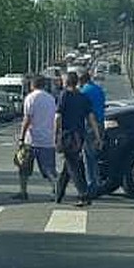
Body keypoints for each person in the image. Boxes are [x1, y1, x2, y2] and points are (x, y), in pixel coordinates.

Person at [54, 72, 102, 206]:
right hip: (79, 135)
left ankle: (84, 194)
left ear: (66, 82)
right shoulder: (83, 98)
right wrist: (97, 136)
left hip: (67, 134)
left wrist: (56, 133)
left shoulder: (64, 95)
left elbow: (58, 117)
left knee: (72, 165)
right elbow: (91, 118)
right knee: (69, 164)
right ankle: (59, 193)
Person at [13, 75, 58, 201]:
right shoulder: (51, 99)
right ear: (43, 85)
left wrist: (21, 137)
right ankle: (56, 189)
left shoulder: (30, 98)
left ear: (32, 85)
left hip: (31, 140)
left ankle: (23, 191)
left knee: (24, 167)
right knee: (49, 169)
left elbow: (27, 118)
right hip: (48, 139)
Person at [76, 68, 107, 197]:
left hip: (89, 125)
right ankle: (97, 182)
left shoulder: (83, 92)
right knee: (95, 155)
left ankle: (92, 185)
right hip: (100, 124)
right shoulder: (99, 90)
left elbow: (82, 111)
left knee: (89, 157)